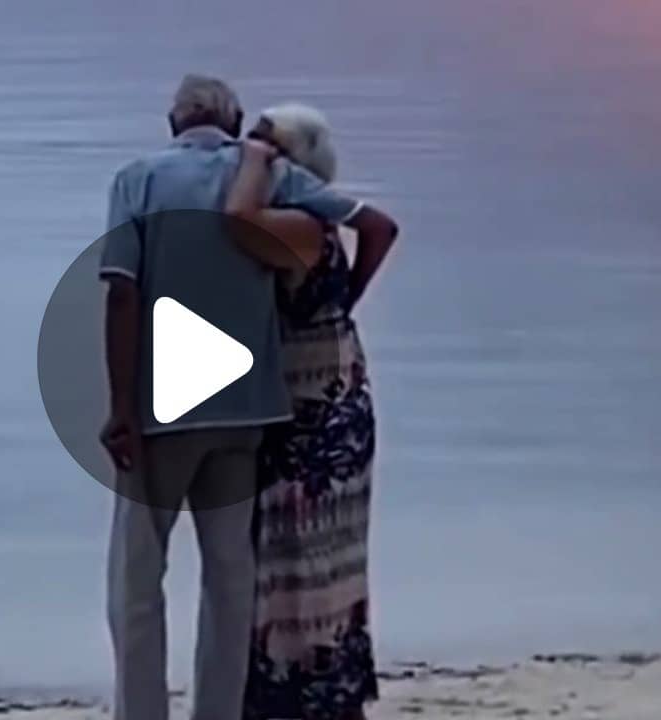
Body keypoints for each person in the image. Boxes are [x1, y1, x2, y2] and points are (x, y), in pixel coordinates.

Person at [99, 77, 398, 720]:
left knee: (138, 576)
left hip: (162, 410)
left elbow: (122, 293)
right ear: (233, 121)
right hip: (249, 412)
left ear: (172, 122)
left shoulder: (136, 180)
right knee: (231, 578)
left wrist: (121, 408)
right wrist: (344, 305)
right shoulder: (270, 181)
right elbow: (368, 222)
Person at [224, 103, 395, 720]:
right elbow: (377, 229)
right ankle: (305, 692)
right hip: (318, 400)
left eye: (268, 146)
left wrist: (253, 160)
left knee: (305, 559)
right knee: (300, 556)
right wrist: (346, 300)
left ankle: (305, 694)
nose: (250, 153)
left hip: (318, 416)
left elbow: (237, 217)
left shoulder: (297, 226)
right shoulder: (311, 225)